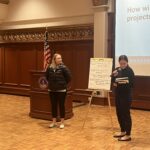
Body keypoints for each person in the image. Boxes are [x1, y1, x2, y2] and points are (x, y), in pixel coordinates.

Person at [111, 55, 135, 141]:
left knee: (125, 114)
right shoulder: (117, 69)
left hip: (126, 96)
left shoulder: (130, 71)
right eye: (121, 63)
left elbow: (132, 84)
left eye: (124, 63)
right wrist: (113, 76)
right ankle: (123, 131)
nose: (122, 65)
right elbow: (113, 81)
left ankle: (128, 135)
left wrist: (123, 81)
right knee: (119, 113)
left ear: (127, 62)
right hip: (118, 95)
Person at [46, 53, 71, 129]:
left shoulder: (64, 68)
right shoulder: (49, 68)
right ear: (54, 59)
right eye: (58, 58)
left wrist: (62, 84)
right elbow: (47, 77)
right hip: (52, 90)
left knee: (61, 106)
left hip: (61, 90)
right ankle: (54, 122)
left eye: (60, 58)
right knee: (53, 106)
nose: (60, 59)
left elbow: (69, 78)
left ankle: (62, 122)